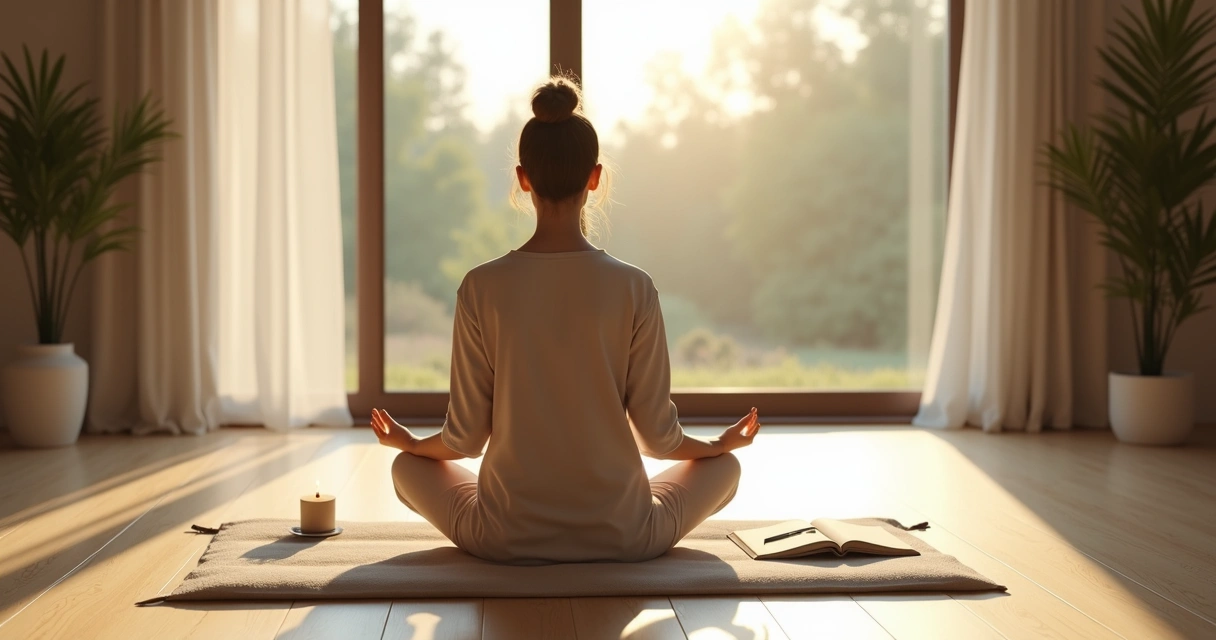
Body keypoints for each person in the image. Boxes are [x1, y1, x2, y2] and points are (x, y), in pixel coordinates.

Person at [371, 76, 760, 565]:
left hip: (504, 538)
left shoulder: (481, 286)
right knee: (724, 469)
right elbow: (660, 440)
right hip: (624, 536)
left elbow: (464, 440)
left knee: (408, 467)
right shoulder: (634, 286)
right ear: (595, 178)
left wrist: (407, 441)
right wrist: (719, 444)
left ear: (522, 177)